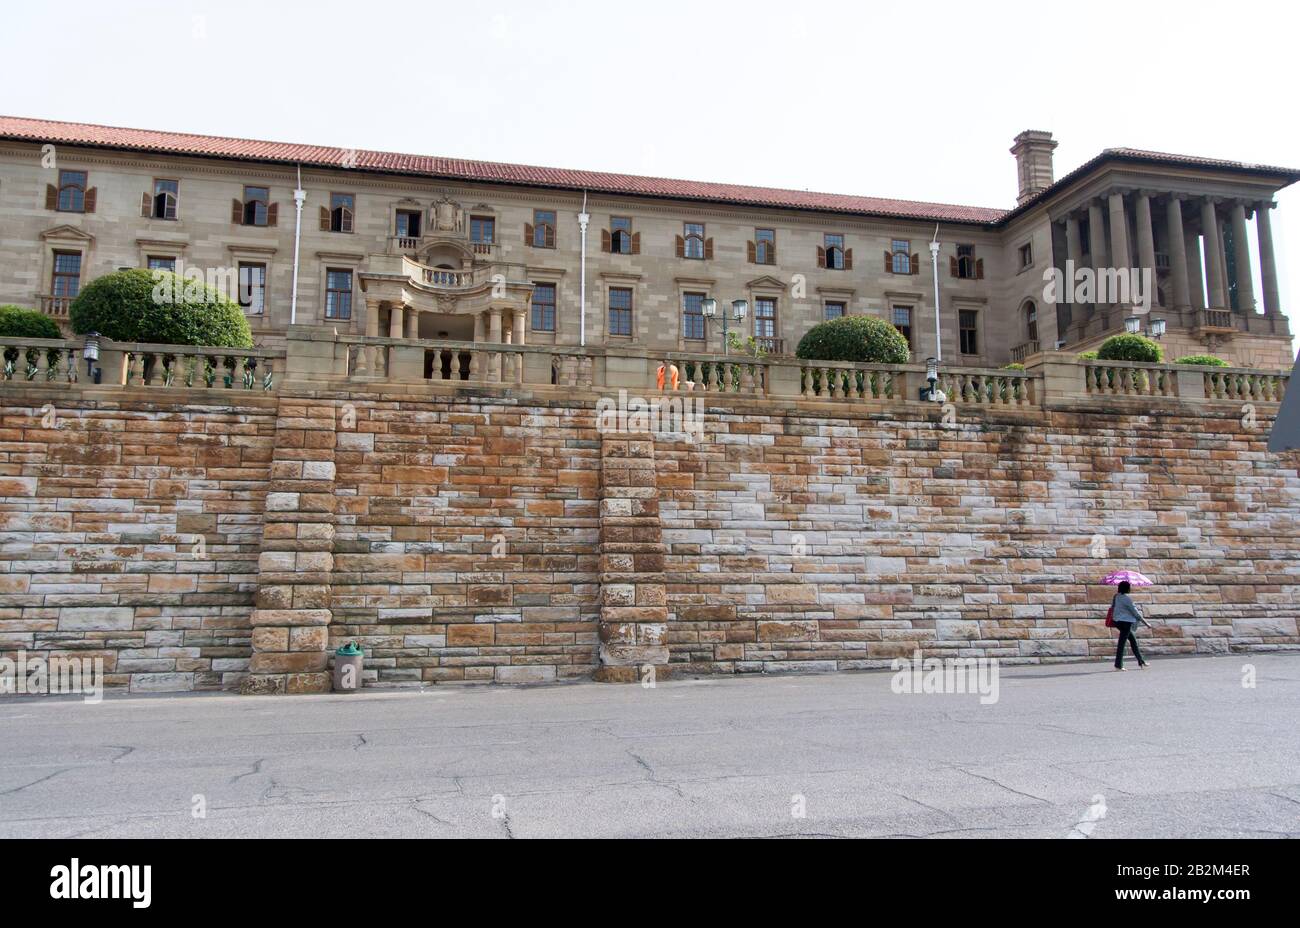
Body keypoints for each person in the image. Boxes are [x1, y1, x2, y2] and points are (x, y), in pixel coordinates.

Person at [1112, 581, 1149, 671]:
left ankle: (1141, 661)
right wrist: (1146, 623)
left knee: (1133, 641)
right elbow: (1135, 613)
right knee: (1122, 644)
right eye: (1129, 587)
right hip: (1126, 623)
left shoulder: (1116, 596)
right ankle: (1118, 665)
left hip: (1118, 622)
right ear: (1127, 588)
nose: (1130, 588)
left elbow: (1113, 607)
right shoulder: (1127, 598)